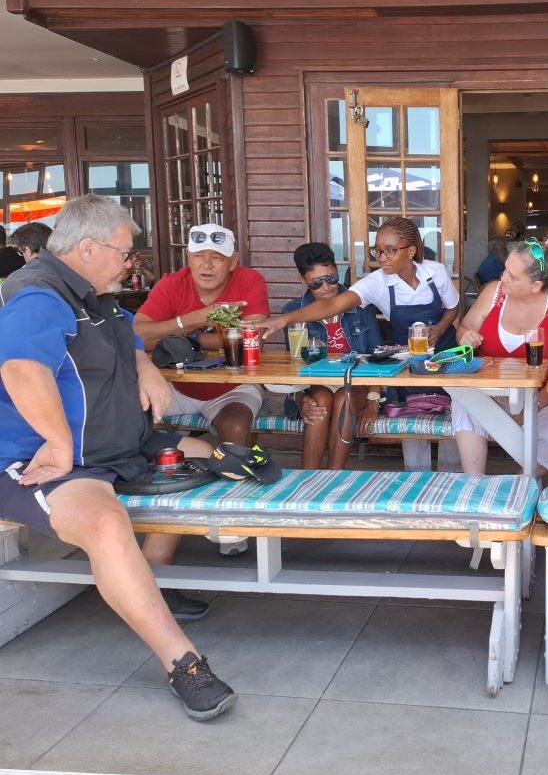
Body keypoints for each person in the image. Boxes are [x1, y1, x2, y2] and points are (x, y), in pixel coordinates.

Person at [0, 195, 235, 720]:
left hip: (110, 446)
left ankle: (150, 584)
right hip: (42, 458)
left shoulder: (93, 295)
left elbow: (124, 331)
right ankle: (184, 662)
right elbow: (21, 369)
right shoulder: (39, 295)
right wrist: (59, 444)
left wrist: (144, 367)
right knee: (107, 524)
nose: (131, 263)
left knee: (223, 455)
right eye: (125, 252)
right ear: (89, 247)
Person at [259, 216, 460, 472]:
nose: (382, 258)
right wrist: (283, 320)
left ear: (410, 251)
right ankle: (416, 479)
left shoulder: (436, 272)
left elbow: (453, 308)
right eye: (377, 250)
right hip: (409, 359)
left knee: (454, 417)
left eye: (390, 250)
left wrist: (440, 328)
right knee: (413, 414)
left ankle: (454, 478)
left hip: (446, 355)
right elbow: (332, 305)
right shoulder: (377, 282)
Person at [455, 231, 548, 474]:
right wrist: (466, 337)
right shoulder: (493, 293)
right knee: (464, 400)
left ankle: (518, 485)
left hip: (544, 398)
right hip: (491, 393)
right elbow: (464, 328)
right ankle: (474, 482)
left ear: (536, 286)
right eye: (504, 269)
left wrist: (534, 405)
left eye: (512, 277)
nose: (502, 278)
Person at [134, 224, 269, 448]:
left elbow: (252, 338)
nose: (206, 265)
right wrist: (195, 319)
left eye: (217, 257)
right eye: (198, 256)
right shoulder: (171, 284)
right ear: (189, 257)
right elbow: (137, 335)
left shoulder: (248, 280)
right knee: (125, 412)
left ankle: (233, 472)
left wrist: (191, 339)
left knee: (235, 426)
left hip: (233, 387)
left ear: (233, 261)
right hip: (175, 385)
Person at [281, 242, 382, 469]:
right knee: (320, 400)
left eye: (331, 278)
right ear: (302, 280)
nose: (326, 287)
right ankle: (307, 478)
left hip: (357, 381)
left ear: (338, 271)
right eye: (316, 283)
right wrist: (301, 399)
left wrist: (374, 400)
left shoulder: (361, 305)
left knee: (344, 398)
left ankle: (333, 476)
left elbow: (377, 356)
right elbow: (293, 365)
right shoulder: (293, 312)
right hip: (315, 384)